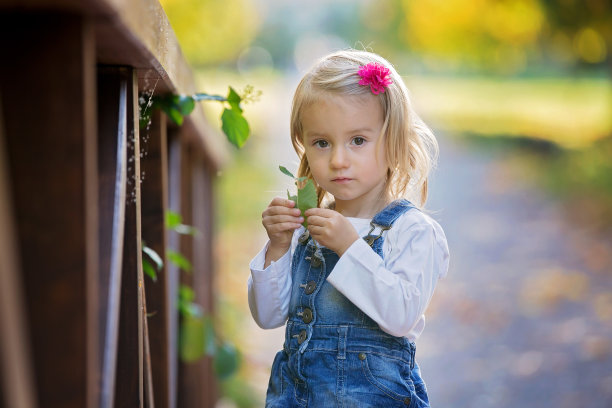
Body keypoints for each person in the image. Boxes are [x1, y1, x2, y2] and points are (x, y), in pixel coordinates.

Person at [247, 49, 450, 407]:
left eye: (358, 140)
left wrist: (349, 247)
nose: (338, 160)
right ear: (304, 145)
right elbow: (267, 316)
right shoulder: (305, 230)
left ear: (394, 141)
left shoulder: (413, 232)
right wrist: (277, 247)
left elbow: (400, 316)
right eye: (321, 143)